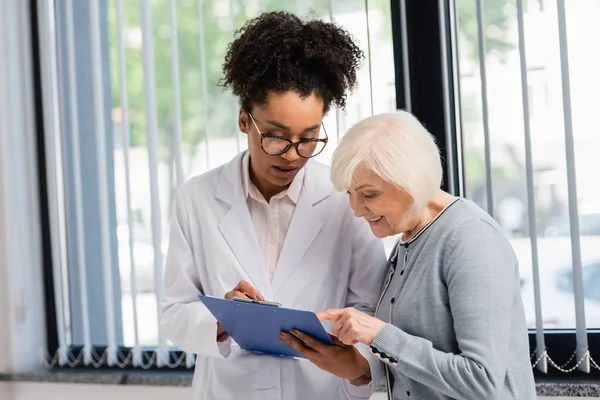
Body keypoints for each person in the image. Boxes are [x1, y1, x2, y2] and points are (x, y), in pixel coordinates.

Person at [159, 11, 387, 400]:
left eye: (309, 138)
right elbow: (174, 312)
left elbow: (372, 307)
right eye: (277, 137)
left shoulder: (344, 199)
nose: (292, 156)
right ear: (245, 121)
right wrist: (222, 318)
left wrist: (355, 362)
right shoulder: (197, 199)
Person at [280, 111, 537, 399]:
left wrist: (379, 335)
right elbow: (415, 372)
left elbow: (482, 381)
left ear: (411, 181)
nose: (356, 209)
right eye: (351, 194)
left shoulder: (470, 239)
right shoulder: (406, 240)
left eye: (369, 194)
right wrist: (351, 362)